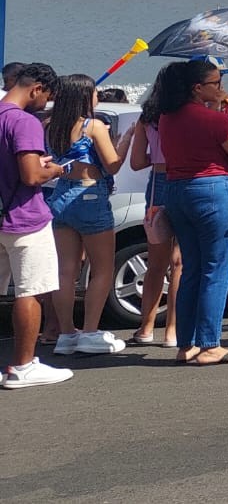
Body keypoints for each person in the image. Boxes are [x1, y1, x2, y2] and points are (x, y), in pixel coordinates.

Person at [157, 58, 228, 365]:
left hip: (177, 190)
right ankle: (210, 344)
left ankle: (186, 343)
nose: (221, 88)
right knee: (216, 270)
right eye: (216, 83)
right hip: (212, 190)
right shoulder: (217, 121)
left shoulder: (167, 117)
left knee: (192, 269)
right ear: (198, 88)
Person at [44, 73, 132, 356]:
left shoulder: (50, 126)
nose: (97, 96)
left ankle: (67, 332)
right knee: (102, 268)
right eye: (94, 92)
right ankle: (91, 331)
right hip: (90, 195)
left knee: (65, 271)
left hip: (60, 196)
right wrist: (126, 139)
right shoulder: (92, 126)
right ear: (85, 96)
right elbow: (114, 164)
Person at [1, 64, 73, 389]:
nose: (47, 104)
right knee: (31, 291)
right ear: (36, 89)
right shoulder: (24, 121)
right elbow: (31, 176)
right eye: (48, 97)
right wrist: (54, 170)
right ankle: (23, 366)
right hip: (25, 218)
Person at [128, 65, 182, 347]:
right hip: (185, 181)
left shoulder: (147, 117)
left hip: (157, 184)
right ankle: (172, 330)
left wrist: (155, 156)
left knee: (156, 262)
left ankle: (145, 327)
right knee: (179, 262)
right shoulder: (188, 115)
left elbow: (137, 162)